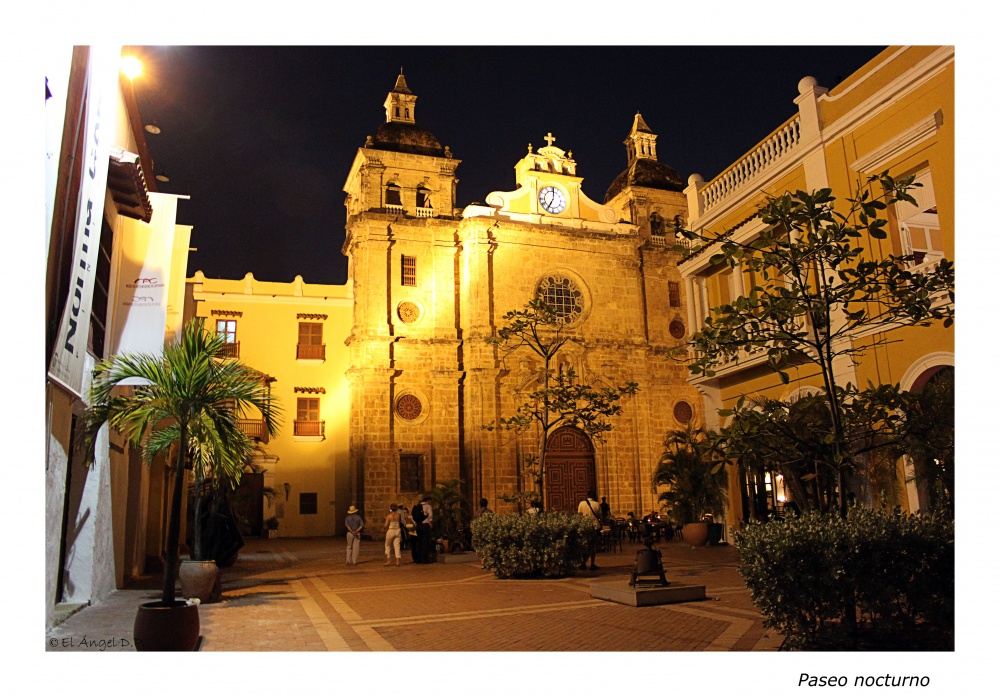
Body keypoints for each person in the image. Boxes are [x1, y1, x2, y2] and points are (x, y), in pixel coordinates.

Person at [577, 491, 603, 570]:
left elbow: (579, 515)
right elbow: (600, 516)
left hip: (584, 527)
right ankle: (592, 563)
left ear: (587, 496)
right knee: (593, 546)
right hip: (594, 527)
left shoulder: (581, 503)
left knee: (584, 545)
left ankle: (583, 563)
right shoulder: (597, 504)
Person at [414, 496, 434, 563]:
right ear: (428, 500)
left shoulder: (417, 506)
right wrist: (431, 523)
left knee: (419, 542)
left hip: (418, 526)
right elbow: (430, 515)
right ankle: (424, 558)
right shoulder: (428, 506)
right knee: (425, 542)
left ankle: (418, 558)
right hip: (425, 526)